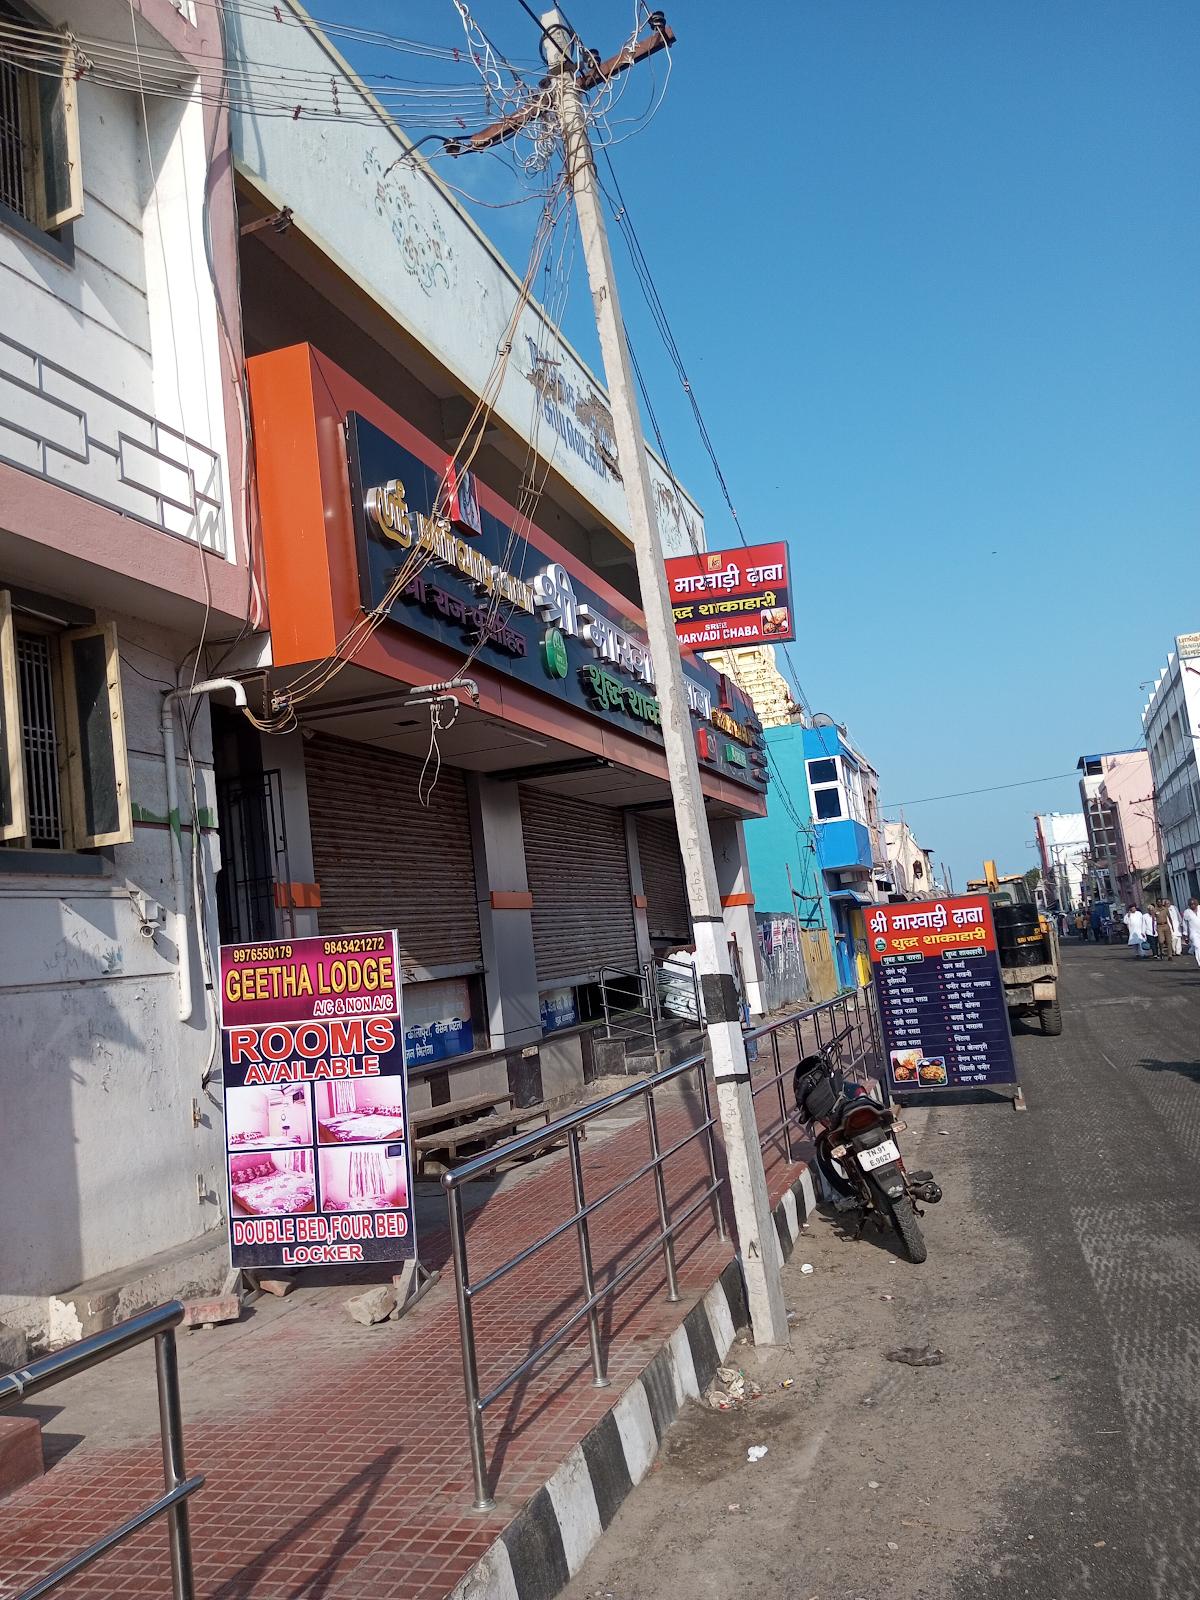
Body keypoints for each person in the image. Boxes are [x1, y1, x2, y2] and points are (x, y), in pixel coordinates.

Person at [1185, 899, 1200, 969]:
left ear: (1197, 904)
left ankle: (1191, 950)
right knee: (1197, 947)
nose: (1193, 905)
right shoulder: (1187, 912)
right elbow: (1185, 924)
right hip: (1193, 932)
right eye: (1191, 904)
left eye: (1194, 904)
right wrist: (1185, 934)